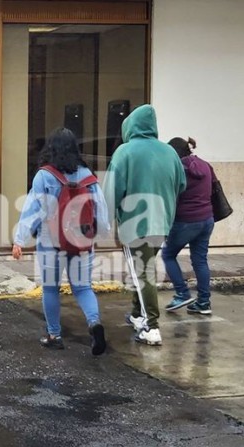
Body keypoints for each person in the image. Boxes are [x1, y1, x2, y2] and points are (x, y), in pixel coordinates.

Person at [13, 128, 110, 355]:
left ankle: (54, 335)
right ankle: (94, 323)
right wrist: (102, 233)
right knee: (84, 287)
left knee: (50, 289)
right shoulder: (88, 176)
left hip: (51, 243)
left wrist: (20, 239)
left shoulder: (44, 176)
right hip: (82, 242)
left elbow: (33, 210)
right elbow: (100, 210)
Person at [103, 105, 186, 346]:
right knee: (144, 268)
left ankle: (152, 326)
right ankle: (138, 314)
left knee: (143, 274)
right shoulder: (169, 152)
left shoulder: (125, 152)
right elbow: (181, 184)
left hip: (134, 224)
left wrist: (106, 220)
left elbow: (112, 190)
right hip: (162, 222)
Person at [162, 137, 215, 315]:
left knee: (168, 254)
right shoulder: (206, 165)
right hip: (207, 219)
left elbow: (171, 196)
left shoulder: (178, 169)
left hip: (185, 221)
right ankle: (203, 302)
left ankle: (182, 293)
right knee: (200, 260)